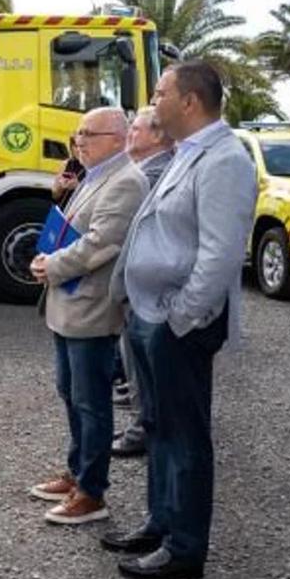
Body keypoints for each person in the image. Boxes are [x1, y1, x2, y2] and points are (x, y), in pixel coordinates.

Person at [102, 62, 257, 579]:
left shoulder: (225, 160)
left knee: (185, 435)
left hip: (178, 322)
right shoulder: (187, 152)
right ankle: (161, 521)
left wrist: (180, 318)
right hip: (151, 313)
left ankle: (185, 547)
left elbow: (219, 255)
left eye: (161, 92)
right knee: (160, 427)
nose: (154, 99)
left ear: (190, 101)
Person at [28, 108, 148, 524]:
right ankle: (77, 470)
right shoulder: (94, 175)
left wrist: (52, 266)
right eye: (77, 134)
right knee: (70, 391)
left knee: (92, 401)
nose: (79, 142)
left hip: (92, 305)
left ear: (117, 138)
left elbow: (102, 244)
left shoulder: (127, 181)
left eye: (88, 134)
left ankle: (92, 492)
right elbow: (72, 228)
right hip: (69, 302)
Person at [112, 107, 176, 458]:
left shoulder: (154, 174)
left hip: (146, 288)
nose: (129, 134)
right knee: (136, 364)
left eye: (135, 128)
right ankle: (143, 422)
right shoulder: (144, 169)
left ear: (156, 135)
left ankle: (144, 428)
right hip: (137, 284)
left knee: (143, 367)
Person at [52, 135, 86, 210]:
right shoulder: (66, 164)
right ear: (71, 147)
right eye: (76, 146)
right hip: (62, 210)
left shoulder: (91, 167)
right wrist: (60, 186)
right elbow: (54, 195)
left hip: (78, 213)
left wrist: (77, 186)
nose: (78, 150)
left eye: (81, 146)